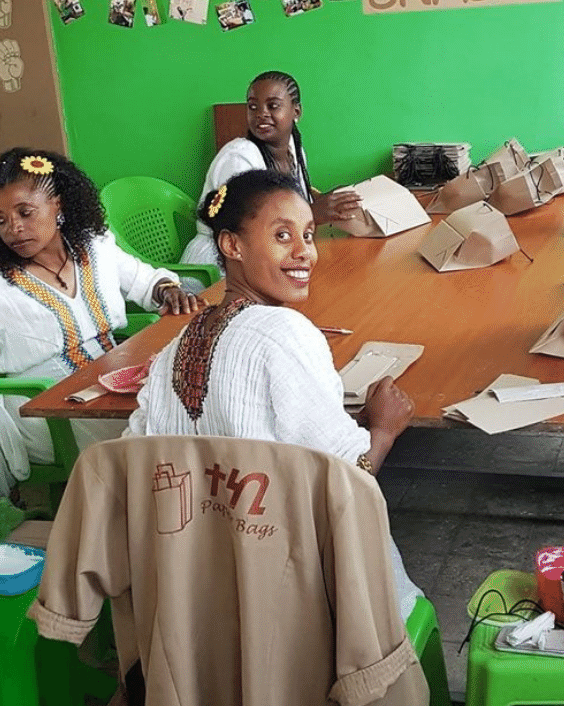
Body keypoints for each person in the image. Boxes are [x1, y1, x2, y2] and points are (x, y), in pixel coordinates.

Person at [129, 169, 422, 619]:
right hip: (293, 594)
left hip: (201, 594)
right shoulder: (285, 332)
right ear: (232, 246)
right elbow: (347, 485)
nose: (305, 252)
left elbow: (142, 461)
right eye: (282, 235)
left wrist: (348, 423)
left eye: (308, 234)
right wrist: (383, 429)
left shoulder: (174, 348)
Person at [0, 148, 202, 501]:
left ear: (58, 204)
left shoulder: (94, 248)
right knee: (162, 436)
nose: (14, 228)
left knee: (195, 403)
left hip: (112, 385)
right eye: (0, 219)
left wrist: (167, 289)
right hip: (45, 408)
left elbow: (144, 279)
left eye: (25, 212)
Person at [182, 71, 362, 266]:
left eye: (273, 106)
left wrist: (332, 200)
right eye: (253, 107)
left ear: (297, 112)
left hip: (270, 253)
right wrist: (312, 213)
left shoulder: (295, 150)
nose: (261, 114)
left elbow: (294, 202)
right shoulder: (239, 158)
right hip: (226, 261)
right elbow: (246, 230)